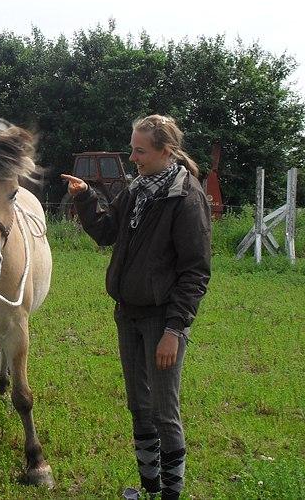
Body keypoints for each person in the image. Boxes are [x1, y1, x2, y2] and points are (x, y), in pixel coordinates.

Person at [61, 114, 211, 500]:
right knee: (139, 406)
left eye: (139, 150)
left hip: (163, 320)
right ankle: (148, 488)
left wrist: (175, 331)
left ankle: (170, 495)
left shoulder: (186, 197)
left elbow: (195, 273)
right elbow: (107, 232)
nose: (132, 157)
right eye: (132, 148)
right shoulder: (138, 188)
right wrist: (84, 197)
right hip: (127, 313)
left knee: (164, 412)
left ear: (165, 151)